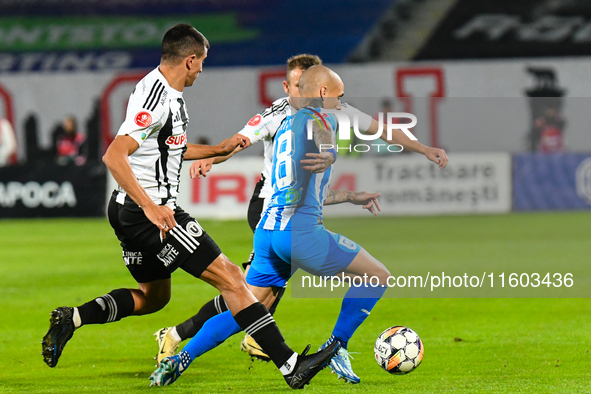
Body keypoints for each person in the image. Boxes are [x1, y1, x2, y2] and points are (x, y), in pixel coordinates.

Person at [41, 24, 339, 390]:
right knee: (233, 278)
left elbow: (168, 149)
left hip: (127, 211)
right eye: (201, 64)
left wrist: (216, 150)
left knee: (154, 298)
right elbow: (114, 154)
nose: (202, 71)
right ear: (190, 59)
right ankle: (291, 365)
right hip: (151, 213)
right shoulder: (157, 97)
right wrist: (150, 206)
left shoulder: (166, 93)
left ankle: (71, 318)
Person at [154, 54, 448, 383]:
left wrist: (356, 190)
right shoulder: (323, 117)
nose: (342, 100)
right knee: (376, 276)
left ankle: (181, 356)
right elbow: (322, 141)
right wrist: (329, 154)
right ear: (322, 93)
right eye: (338, 93)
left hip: (268, 231)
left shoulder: (286, 126)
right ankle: (337, 347)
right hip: (300, 233)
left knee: (248, 305)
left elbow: (310, 177)